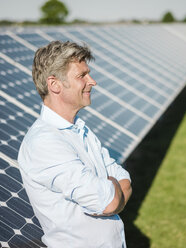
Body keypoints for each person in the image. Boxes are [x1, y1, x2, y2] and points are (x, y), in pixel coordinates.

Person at [18, 40, 132, 247]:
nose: (92, 81)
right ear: (54, 84)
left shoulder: (80, 130)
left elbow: (124, 180)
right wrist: (112, 187)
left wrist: (110, 187)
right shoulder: (44, 142)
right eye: (82, 75)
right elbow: (110, 202)